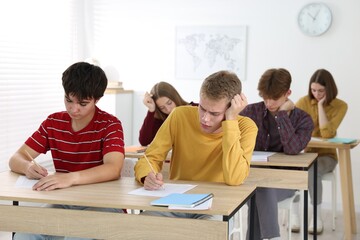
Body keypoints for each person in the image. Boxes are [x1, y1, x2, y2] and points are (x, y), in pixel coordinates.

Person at [9, 62, 125, 240]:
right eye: (68, 100)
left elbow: (113, 168)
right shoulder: (53, 122)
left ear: (97, 99)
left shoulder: (110, 125)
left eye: (83, 103)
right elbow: (16, 158)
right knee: (25, 234)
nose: (73, 109)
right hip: (64, 202)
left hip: (102, 204)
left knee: (76, 235)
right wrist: (26, 167)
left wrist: (70, 177)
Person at [134, 70, 258, 218]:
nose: (205, 118)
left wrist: (231, 121)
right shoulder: (179, 115)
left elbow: (234, 178)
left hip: (216, 204)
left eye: (215, 113)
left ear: (232, 107)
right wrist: (147, 176)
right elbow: (151, 156)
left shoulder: (246, 127)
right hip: (175, 200)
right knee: (139, 226)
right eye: (202, 108)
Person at [240, 68, 314, 240]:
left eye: (274, 98)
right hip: (251, 177)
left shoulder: (303, 119)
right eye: (265, 97)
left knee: (261, 187)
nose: (268, 103)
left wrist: (282, 116)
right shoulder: (250, 112)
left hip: (285, 181)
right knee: (258, 187)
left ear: (288, 93)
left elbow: (292, 149)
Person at [295, 69, 347, 234]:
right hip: (305, 153)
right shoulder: (302, 102)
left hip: (327, 156)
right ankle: (295, 215)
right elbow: (293, 129)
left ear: (329, 90)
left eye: (321, 91)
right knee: (293, 169)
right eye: (313, 90)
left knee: (312, 169)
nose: (316, 94)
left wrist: (320, 106)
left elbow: (327, 134)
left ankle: (315, 216)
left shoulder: (340, 106)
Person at [139, 81, 196, 146]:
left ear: (175, 97)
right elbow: (144, 141)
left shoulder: (195, 109)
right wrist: (151, 110)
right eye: (162, 108)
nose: (168, 109)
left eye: (169, 103)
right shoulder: (161, 120)